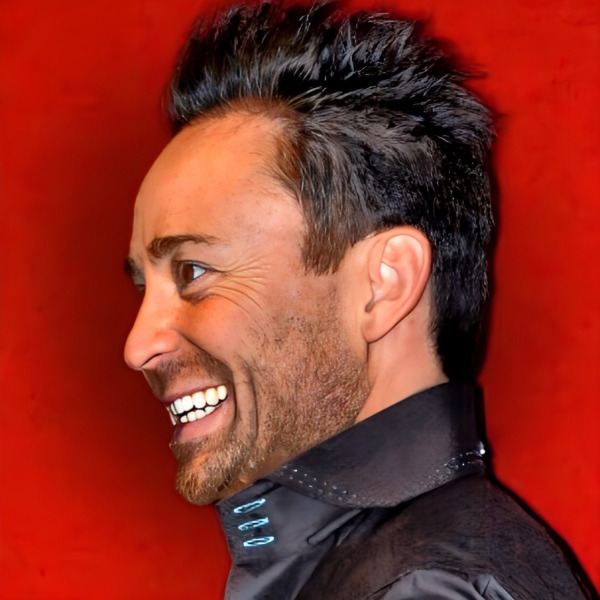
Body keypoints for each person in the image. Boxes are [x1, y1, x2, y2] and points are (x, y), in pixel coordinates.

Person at [123, 2, 596, 598]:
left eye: (194, 272)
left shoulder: (423, 588)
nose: (138, 346)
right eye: (144, 286)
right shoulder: (414, 568)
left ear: (383, 284)